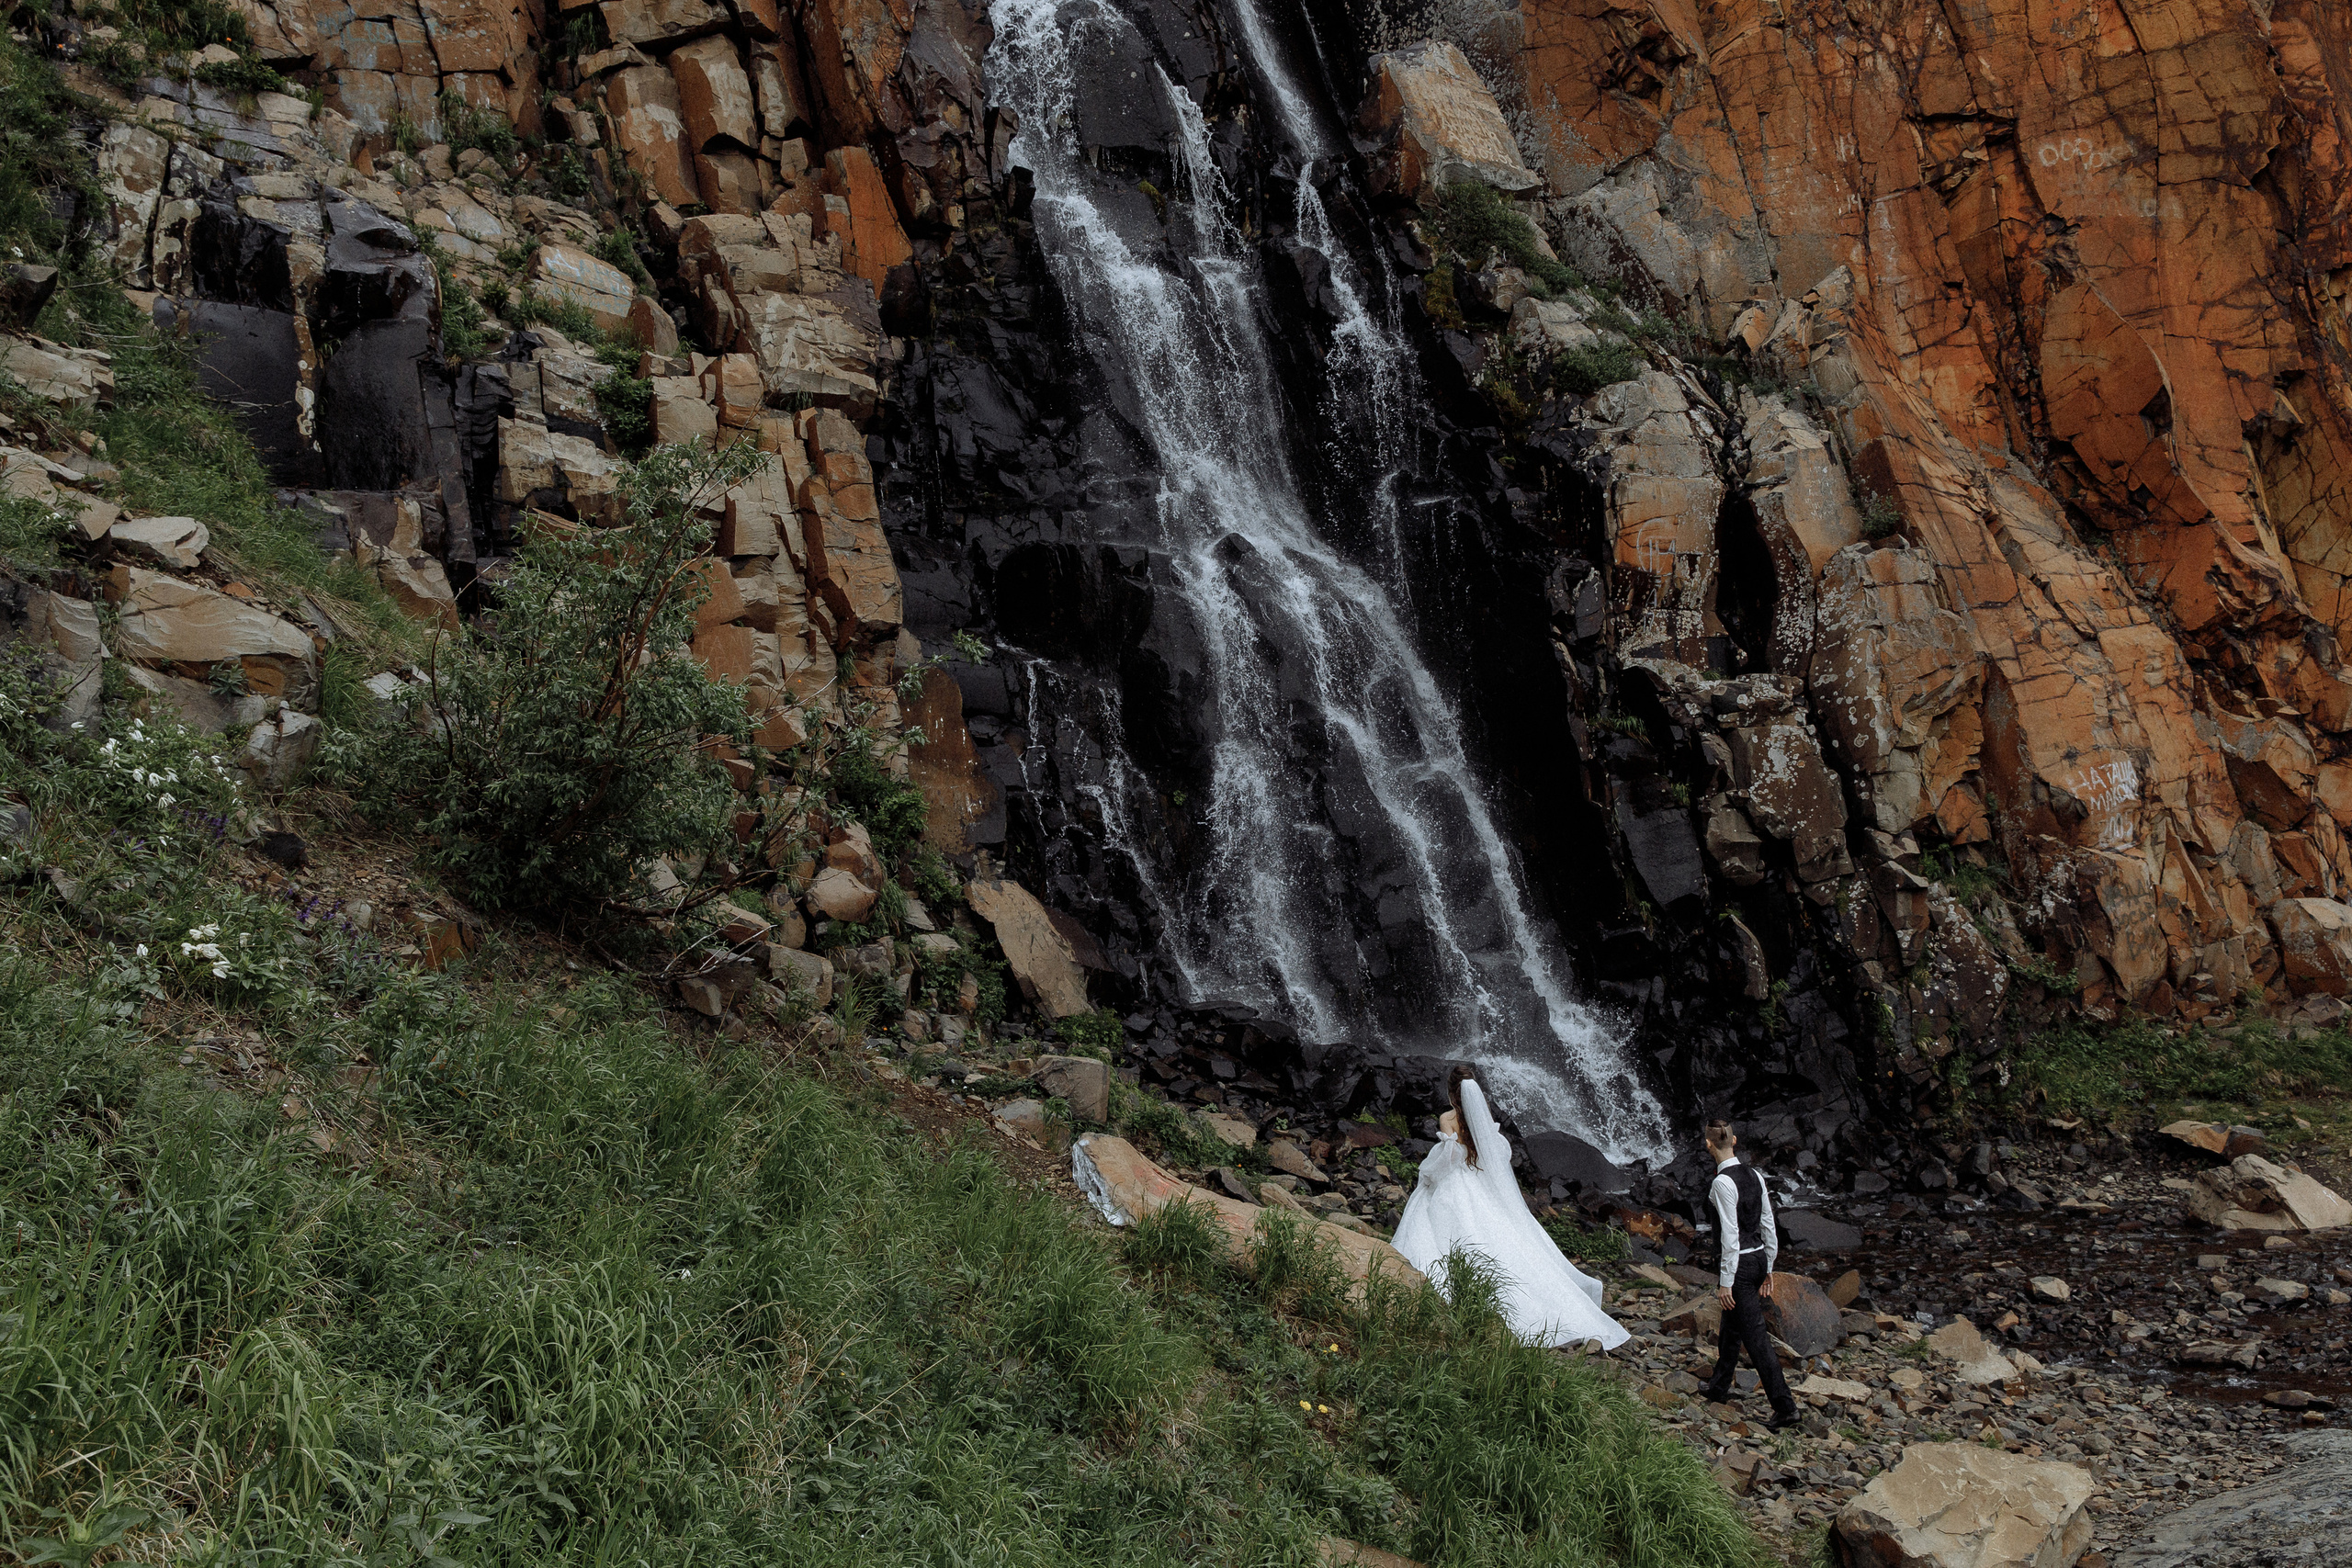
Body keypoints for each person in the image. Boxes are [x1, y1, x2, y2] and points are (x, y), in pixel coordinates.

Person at [1391, 1066, 1629, 1350]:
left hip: (1457, 1181)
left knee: (1439, 1217)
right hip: (1479, 1180)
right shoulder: (1481, 1118)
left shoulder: (1447, 1118)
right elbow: (1498, 1152)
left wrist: (1429, 1173)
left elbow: (1449, 1158)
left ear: (1451, 1090)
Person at [1698, 1118, 1798, 1429]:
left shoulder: (1722, 1183)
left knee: (1756, 1339)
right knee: (1732, 1327)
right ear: (1735, 1140)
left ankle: (1786, 1408)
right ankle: (1718, 1387)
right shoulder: (1754, 1175)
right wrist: (1768, 1265)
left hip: (1739, 1266)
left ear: (1709, 1144)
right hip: (1756, 1260)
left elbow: (1730, 1235)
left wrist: (1726, 1282)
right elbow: (1768, 1223)